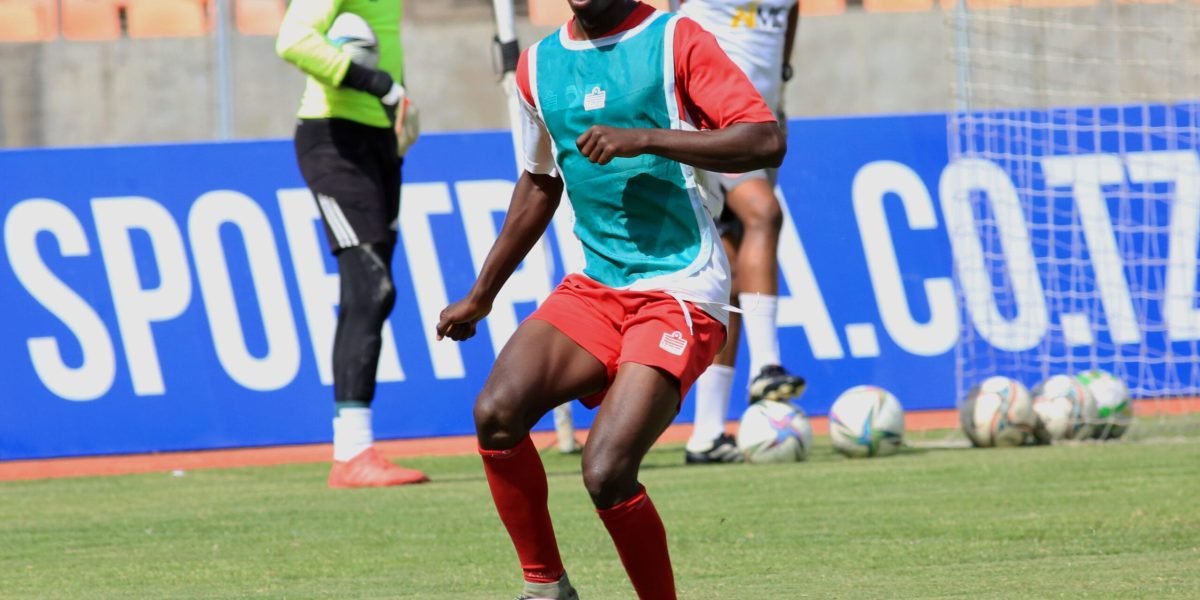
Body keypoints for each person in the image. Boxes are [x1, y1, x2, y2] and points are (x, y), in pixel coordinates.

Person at [436, 1, 784, 597]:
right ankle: (546, 586)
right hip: (598, 286)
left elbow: (764, 139)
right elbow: (540, 181)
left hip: (680, 285)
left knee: (606, 471)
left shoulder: (675, 38)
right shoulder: (538, 67)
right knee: (496, 412)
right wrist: (481, 294)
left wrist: (646, 138)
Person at [276, 1, 426, 488]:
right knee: (372, 289)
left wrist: (397, 107)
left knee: (368, 296)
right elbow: (293, 39)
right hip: (334, 140)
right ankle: (352, 453)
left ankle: (353, 450)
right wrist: (380, 85)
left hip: (379, 140)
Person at [673, 0, 807, 465]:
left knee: (727, 267)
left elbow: (788, 16)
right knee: (764, 214)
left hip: (760, 118)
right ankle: (767, 366)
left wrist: (780, 92)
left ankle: (706, 434)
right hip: (711, 115)